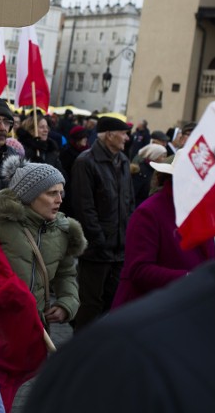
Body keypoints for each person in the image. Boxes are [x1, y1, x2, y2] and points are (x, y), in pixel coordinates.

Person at [27, 76, 215, 413]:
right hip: (111, 263)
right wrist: (106, 243)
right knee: (90, 308)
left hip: (142, 277)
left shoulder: (192, 212)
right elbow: (105, 224)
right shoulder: (122, 367)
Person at [0, 158, 86, 328]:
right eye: (52, 193)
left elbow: (66, 274)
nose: (59, 199)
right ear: (29, 195)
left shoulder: (62, 230)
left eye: (61, 193)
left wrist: (66, 303)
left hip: (37, 327)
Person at [111, 155, 215, 309]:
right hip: (148, 312)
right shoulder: (149, 212)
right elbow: (139, 269)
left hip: (187, 309)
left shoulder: (202, 212)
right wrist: (189, 278)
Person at [69, 115, 134, 331]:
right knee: (90, 304)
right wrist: (100, 240)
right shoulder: (85, 162)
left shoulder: (123, 161)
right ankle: (80, 353)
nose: (127, 138)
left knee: (113, 303)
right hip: (97, 251)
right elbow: (84, 207)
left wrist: (127, 236)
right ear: (109, 135)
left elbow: (129, 202)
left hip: (120, 249)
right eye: (123, 133)